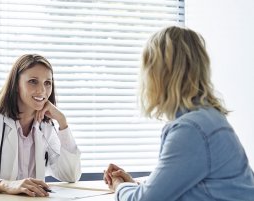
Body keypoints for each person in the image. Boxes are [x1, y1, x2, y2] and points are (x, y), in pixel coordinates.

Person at [104, 26, 254, 200]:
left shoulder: (191, 130)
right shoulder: (209, 119)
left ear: (158, 74)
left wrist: (119, 186)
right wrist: (137, 186)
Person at [0, 54, 81, 197]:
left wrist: (62, 122)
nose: (42, 91)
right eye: (33, 81)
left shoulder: (45, 126)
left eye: (47, 83)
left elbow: (70, 175)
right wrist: (6, 184)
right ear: (16, 85)